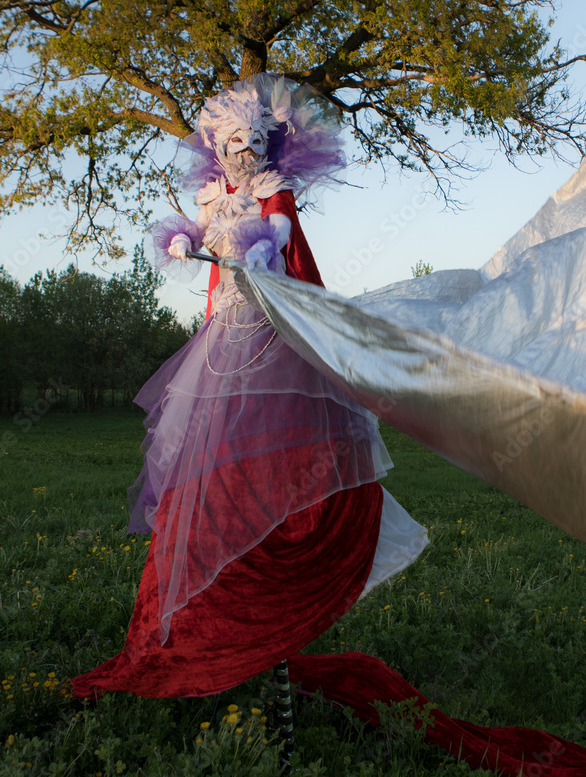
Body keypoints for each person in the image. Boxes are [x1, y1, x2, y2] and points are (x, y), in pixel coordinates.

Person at [72, 75, 427, 699]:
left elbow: (284, 233)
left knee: (277, 444)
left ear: (268, 145)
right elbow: (193, 235)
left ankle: (285, 560)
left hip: (271, 330)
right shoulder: (212, 196)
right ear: (216, 143)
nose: (242, 150)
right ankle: (208, 603)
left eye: (252, 139)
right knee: (208, 456)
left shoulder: (273, 190)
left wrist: (268, 250)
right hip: (220, 337)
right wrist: (183, 240)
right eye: (232, 139)